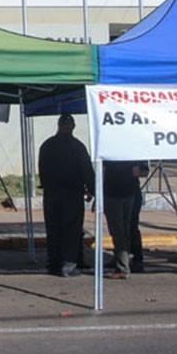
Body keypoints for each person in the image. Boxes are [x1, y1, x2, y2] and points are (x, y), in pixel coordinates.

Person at [38, 114, 94, 277]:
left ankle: (54, 262)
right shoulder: (77, 146)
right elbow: (86, 170)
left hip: (52, 193)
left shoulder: (47, 145)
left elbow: (42, 170)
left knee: (54, 228)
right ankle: (68, 263)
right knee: (71, 228)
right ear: (71, 127)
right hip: (71, 193)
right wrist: (91, 188)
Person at [103, 161, 146, 280]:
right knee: (128, 229)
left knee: (118, 230)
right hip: (130, 191)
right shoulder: (132, 151)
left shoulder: (110, 151)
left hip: (114, 192)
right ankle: (126, 259)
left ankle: (123, 266)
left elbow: (104, 171)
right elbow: (141, 171)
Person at [129, 162, 150, 274]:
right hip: (113, 191)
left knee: (132, 226)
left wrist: (134, 172)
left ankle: (137, 259)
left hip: (132, 193)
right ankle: (120, 256)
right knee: (117, 228)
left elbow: (145, 171)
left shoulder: (135, 152)